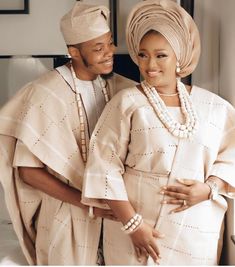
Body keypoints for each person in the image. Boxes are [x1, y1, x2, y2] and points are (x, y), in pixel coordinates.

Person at [82, 0, 235, 265]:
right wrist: (133, 225)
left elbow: (231, 156)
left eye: (160, 55)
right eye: (142, 54)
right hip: (134, 232)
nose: (149, 64)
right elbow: (103, 167)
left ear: (180, 56)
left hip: (195, 234)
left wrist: (209, 189)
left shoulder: (216, 107)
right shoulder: (126, 102)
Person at [0, 2, 136, 265]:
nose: (109, 52)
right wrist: (88, 205)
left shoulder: (117, 85)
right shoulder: (45, 92)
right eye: (98, 48)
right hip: (65, 216)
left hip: (111, 217)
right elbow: (28, 172)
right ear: (73, 52)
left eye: (109, 43)